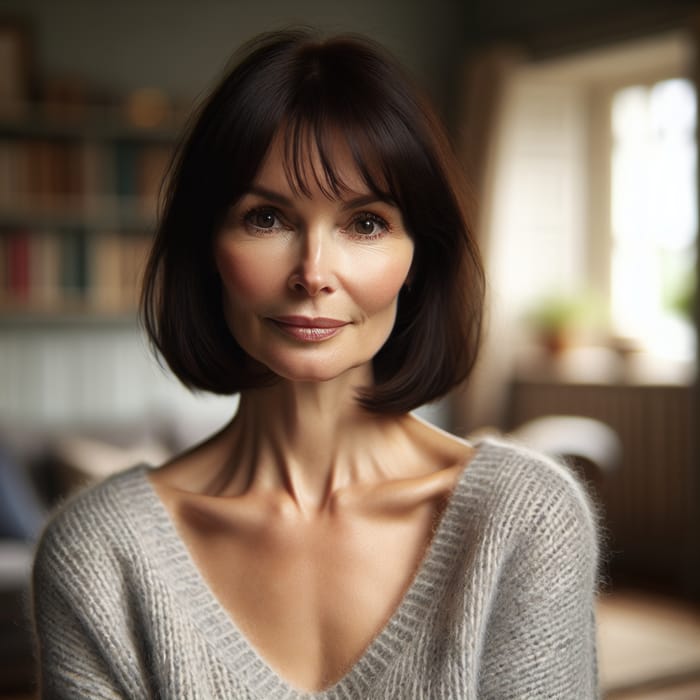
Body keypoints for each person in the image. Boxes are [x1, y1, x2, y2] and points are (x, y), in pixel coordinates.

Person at [32, 29, 599, 699]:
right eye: (267, 217)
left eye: (365, 224)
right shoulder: (99, 553)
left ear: (420, 259)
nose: (313, 274)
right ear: (206, 249)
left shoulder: (524, 518)